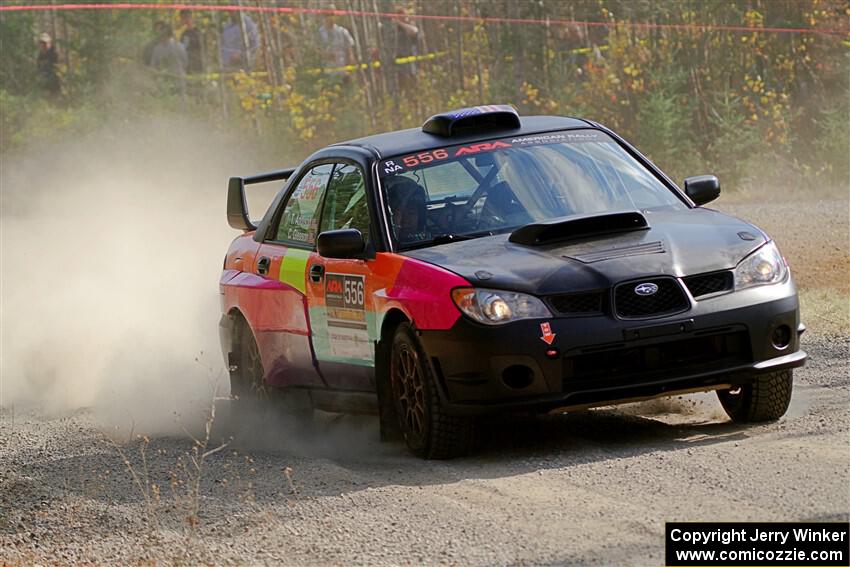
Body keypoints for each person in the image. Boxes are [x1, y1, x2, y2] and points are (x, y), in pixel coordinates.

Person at [386, 176, 430, 245]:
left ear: (420, 215)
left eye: (411, 213)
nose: (405, 220)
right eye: (398, 214)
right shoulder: (383, 243)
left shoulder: (431, 239)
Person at [149, 23, 188, 96]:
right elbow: (153, 67)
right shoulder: (157, 49)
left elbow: (185, 63)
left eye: (161, 34)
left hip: (178, 81)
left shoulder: (179, 46)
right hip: (164, 83)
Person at [36, 33, 61, 98]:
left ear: (49, 43)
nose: (43, 45)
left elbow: (56, 67)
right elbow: (38, 67)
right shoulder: (40, 55)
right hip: (43, 79)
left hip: (53, 80)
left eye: (45, 43)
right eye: (42, 43)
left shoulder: (54, 53)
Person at [179, 9, 203, 74]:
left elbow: (201, 49)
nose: (185, 20)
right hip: (186, 66)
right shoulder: (183, 34)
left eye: (187, 17)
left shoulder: (197, 32)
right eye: (182, 18)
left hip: (197, 66)